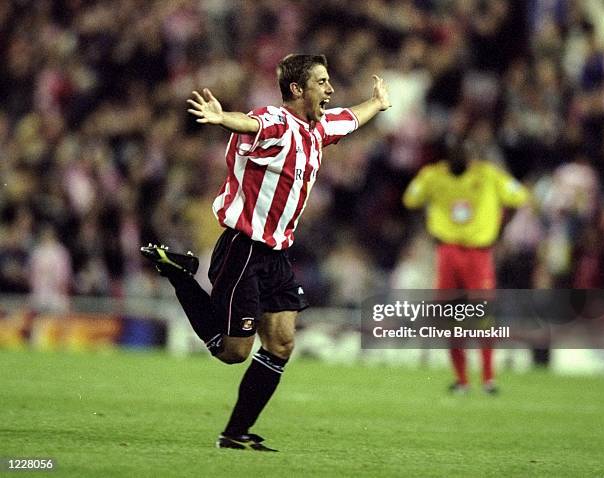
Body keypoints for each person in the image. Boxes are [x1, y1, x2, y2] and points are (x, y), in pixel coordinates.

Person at [141, 54, 390, 451]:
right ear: (297, 89)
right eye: (322, 82)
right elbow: (251, 122)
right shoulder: (276, 122)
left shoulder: (318, 128)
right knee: (233, 352)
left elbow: (351, 117)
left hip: (275, 255)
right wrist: (223, 119)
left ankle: (235, 434)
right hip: (243, 249)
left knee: (281, 344)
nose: (330, 89)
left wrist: (377, 103)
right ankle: (181, 277)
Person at [403, 138, 528, 394]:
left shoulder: (488, 174)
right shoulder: (432, 176)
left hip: (478, 253)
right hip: (448, 251)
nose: (462, 157)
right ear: (449, 156)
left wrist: (500, 229)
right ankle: (462, 379)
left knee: (483, 315)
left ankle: (488, 378)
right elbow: (411, 202)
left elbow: (518, 198)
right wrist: (431, 228)